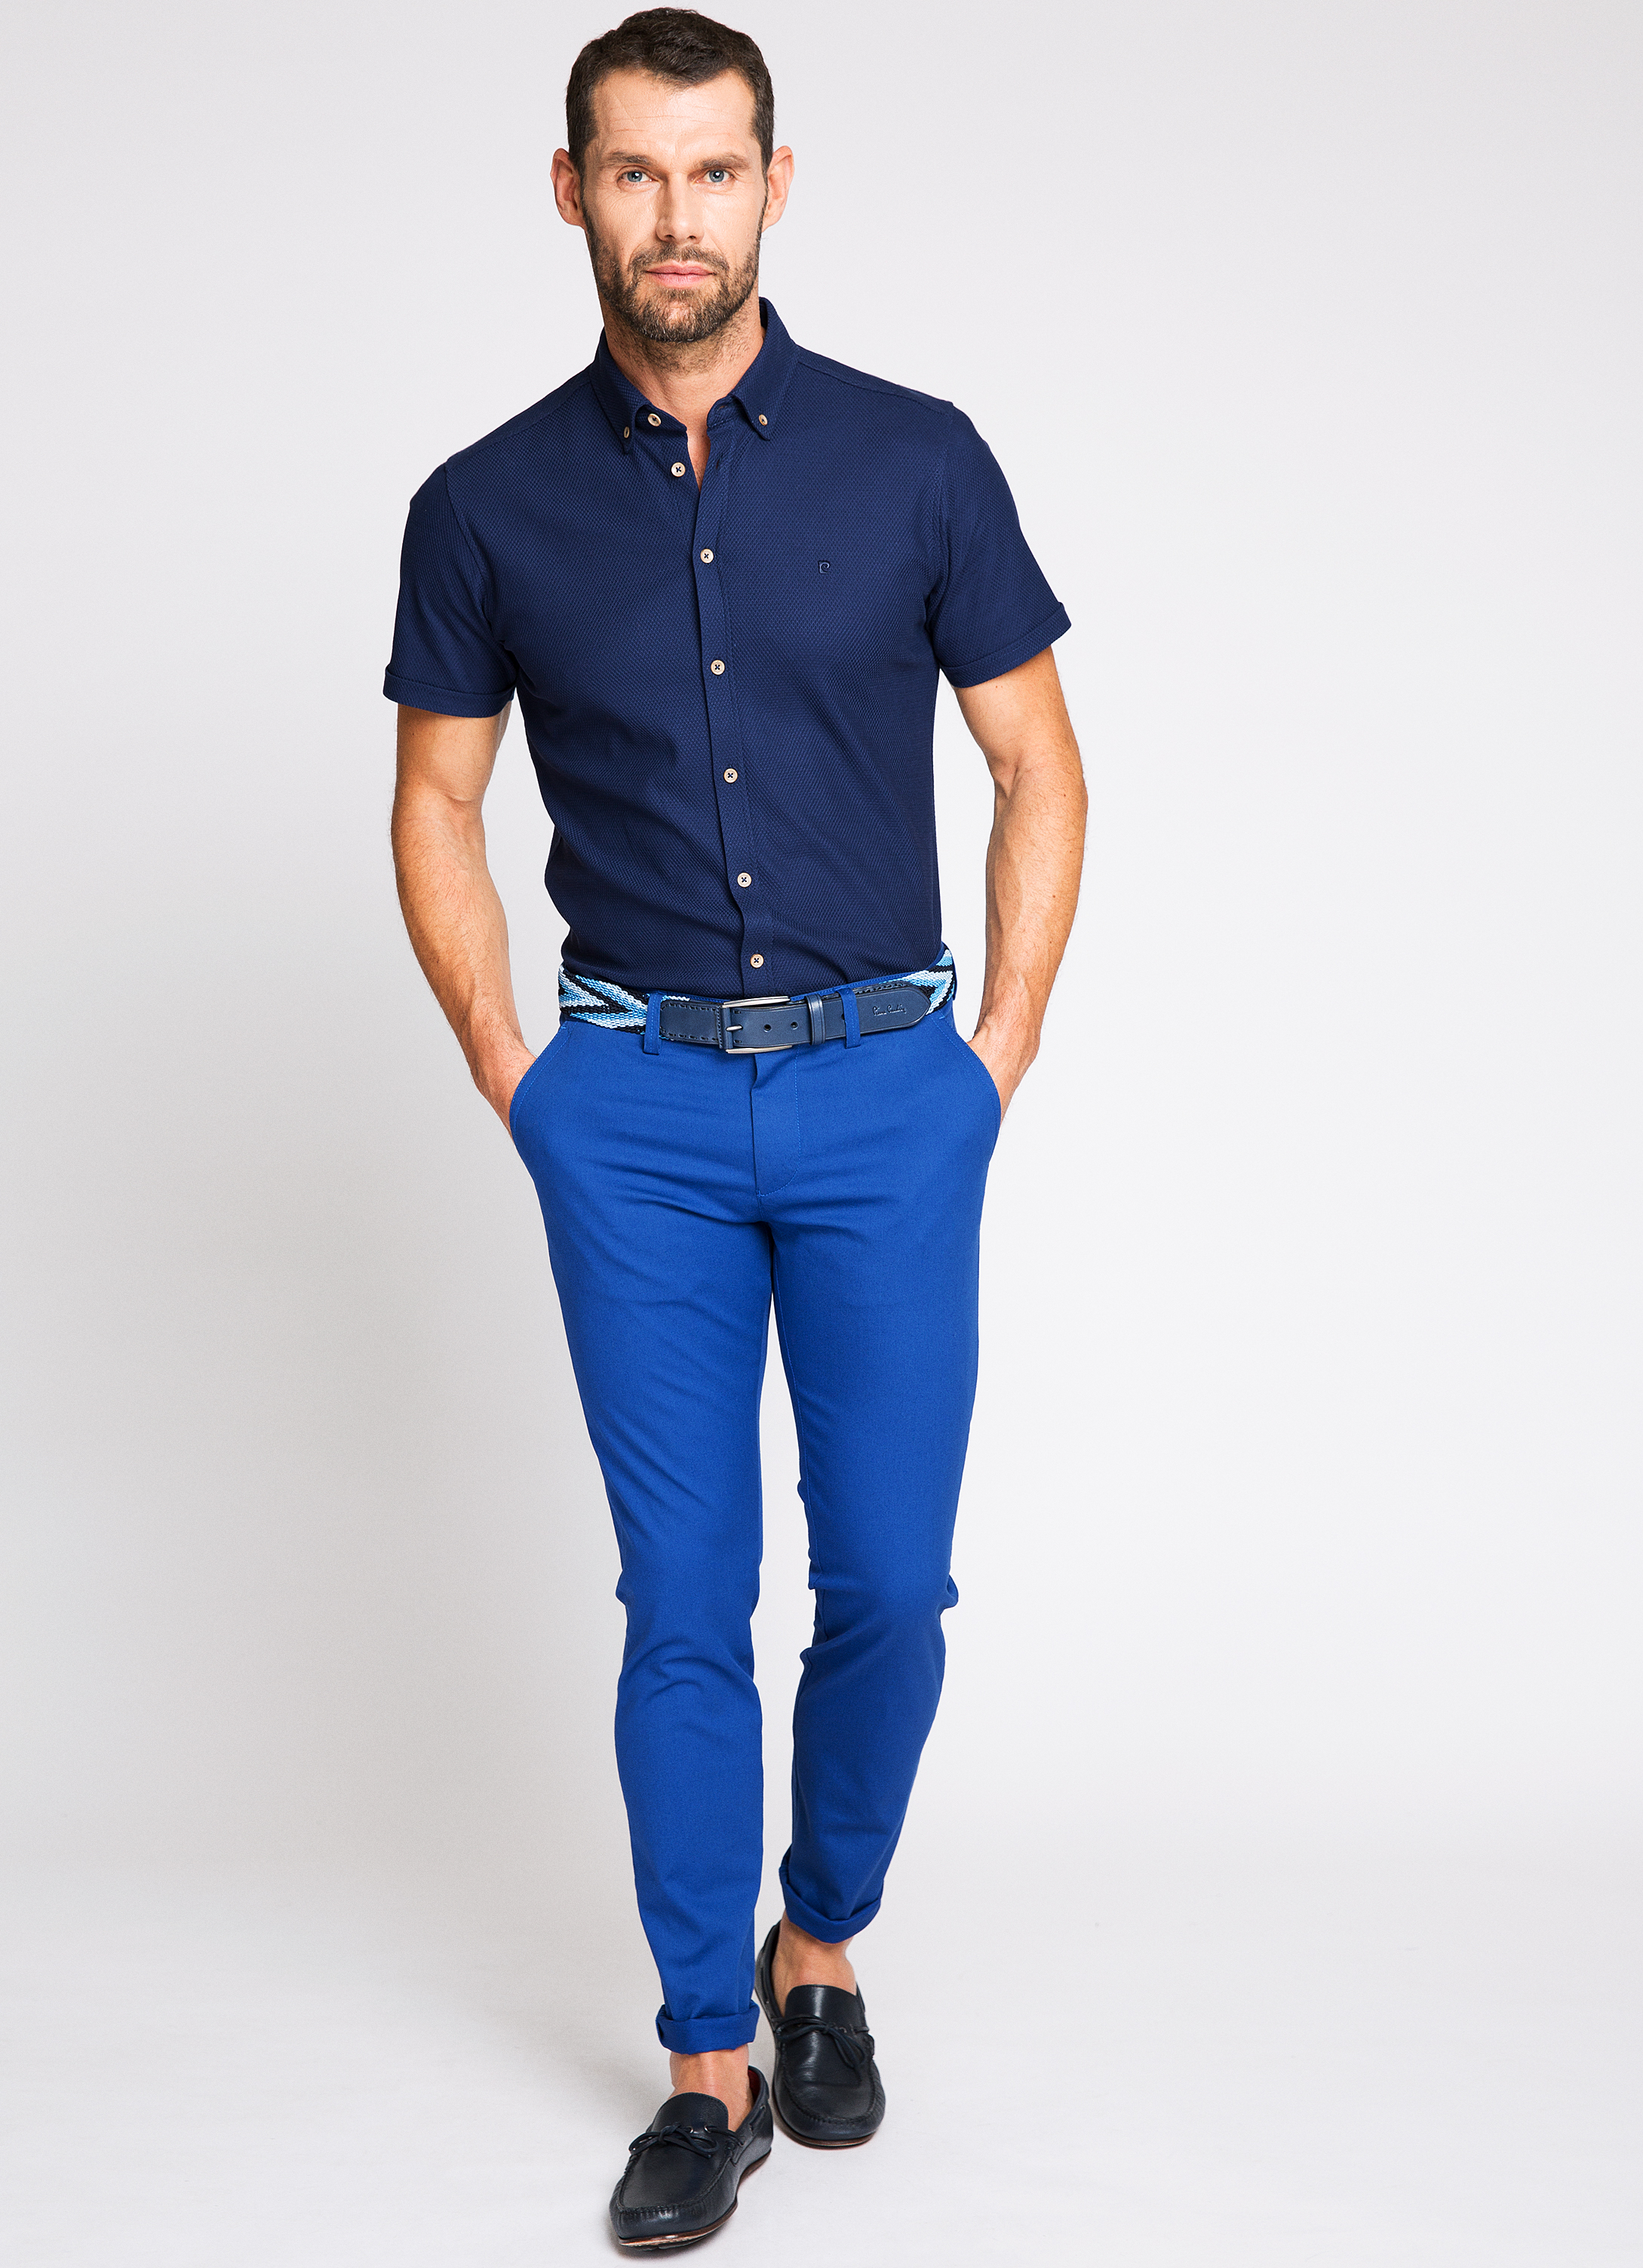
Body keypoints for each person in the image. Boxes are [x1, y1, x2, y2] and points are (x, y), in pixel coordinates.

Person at [386, 8, 1085, 2248]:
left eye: (711, 171)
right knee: (682, 1596)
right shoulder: (483, 504)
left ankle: (819, 1942)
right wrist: (516, 1071)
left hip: (891, 1098)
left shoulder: (918, 461)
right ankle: (708, 2057)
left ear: (775, 185)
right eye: (633, 172)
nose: (673, 216)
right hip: (636, 1117)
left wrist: (993, 1053)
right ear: (569, 192)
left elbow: (1038, 763)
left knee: (887, 1580)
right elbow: (435, 799)